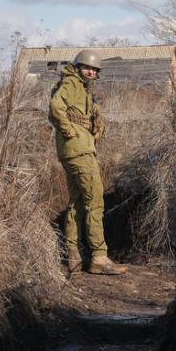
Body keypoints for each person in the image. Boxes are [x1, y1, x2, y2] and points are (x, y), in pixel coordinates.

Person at [49, 49, 127, 275]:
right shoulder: (72, 83)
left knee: (77, 202)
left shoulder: (82, 89)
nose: (91, 72)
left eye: (94, 69)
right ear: (78, 67)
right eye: (87, 67)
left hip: (74, 150)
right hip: (79, 150)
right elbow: (56, 107)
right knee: (95, 202)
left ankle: (72, 255)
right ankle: (99, 258)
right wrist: (70, 130)